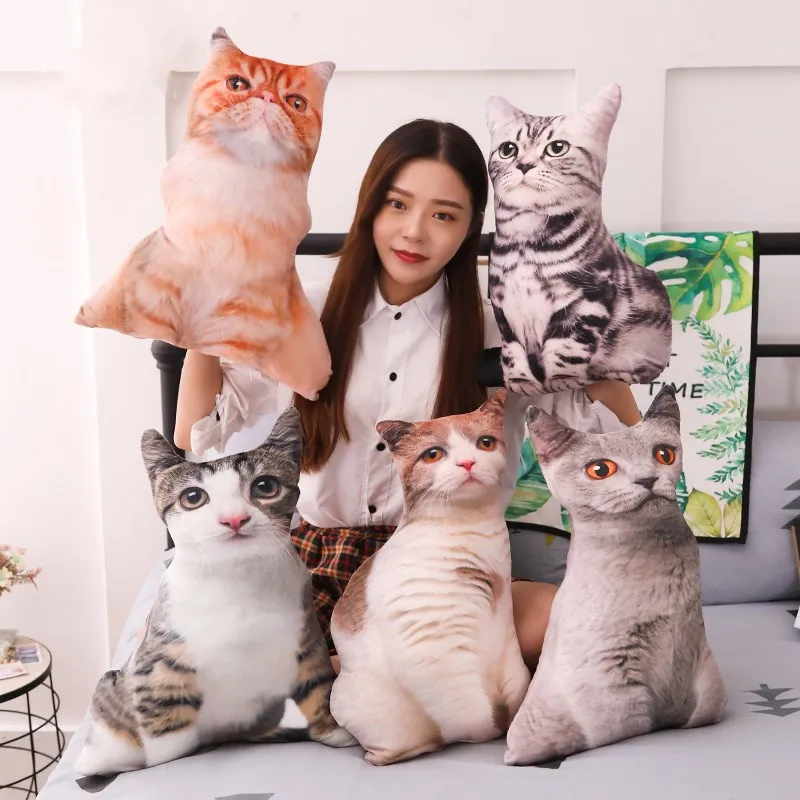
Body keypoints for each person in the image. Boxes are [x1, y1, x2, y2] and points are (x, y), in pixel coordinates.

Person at [174, 119, 641, 671]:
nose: (415, 232)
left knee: (587, 618)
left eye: (444, 215)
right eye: (397, 205)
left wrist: (596, 353)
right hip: (322, 564)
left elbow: (625, 448)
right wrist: (206, 313)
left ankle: (366, 670)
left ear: (469, 228)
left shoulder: (506, 331)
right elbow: (194, 432)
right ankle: (377, 669)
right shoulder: (303, 314)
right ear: (370, 207)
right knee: (206, 646)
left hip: (448, 568)